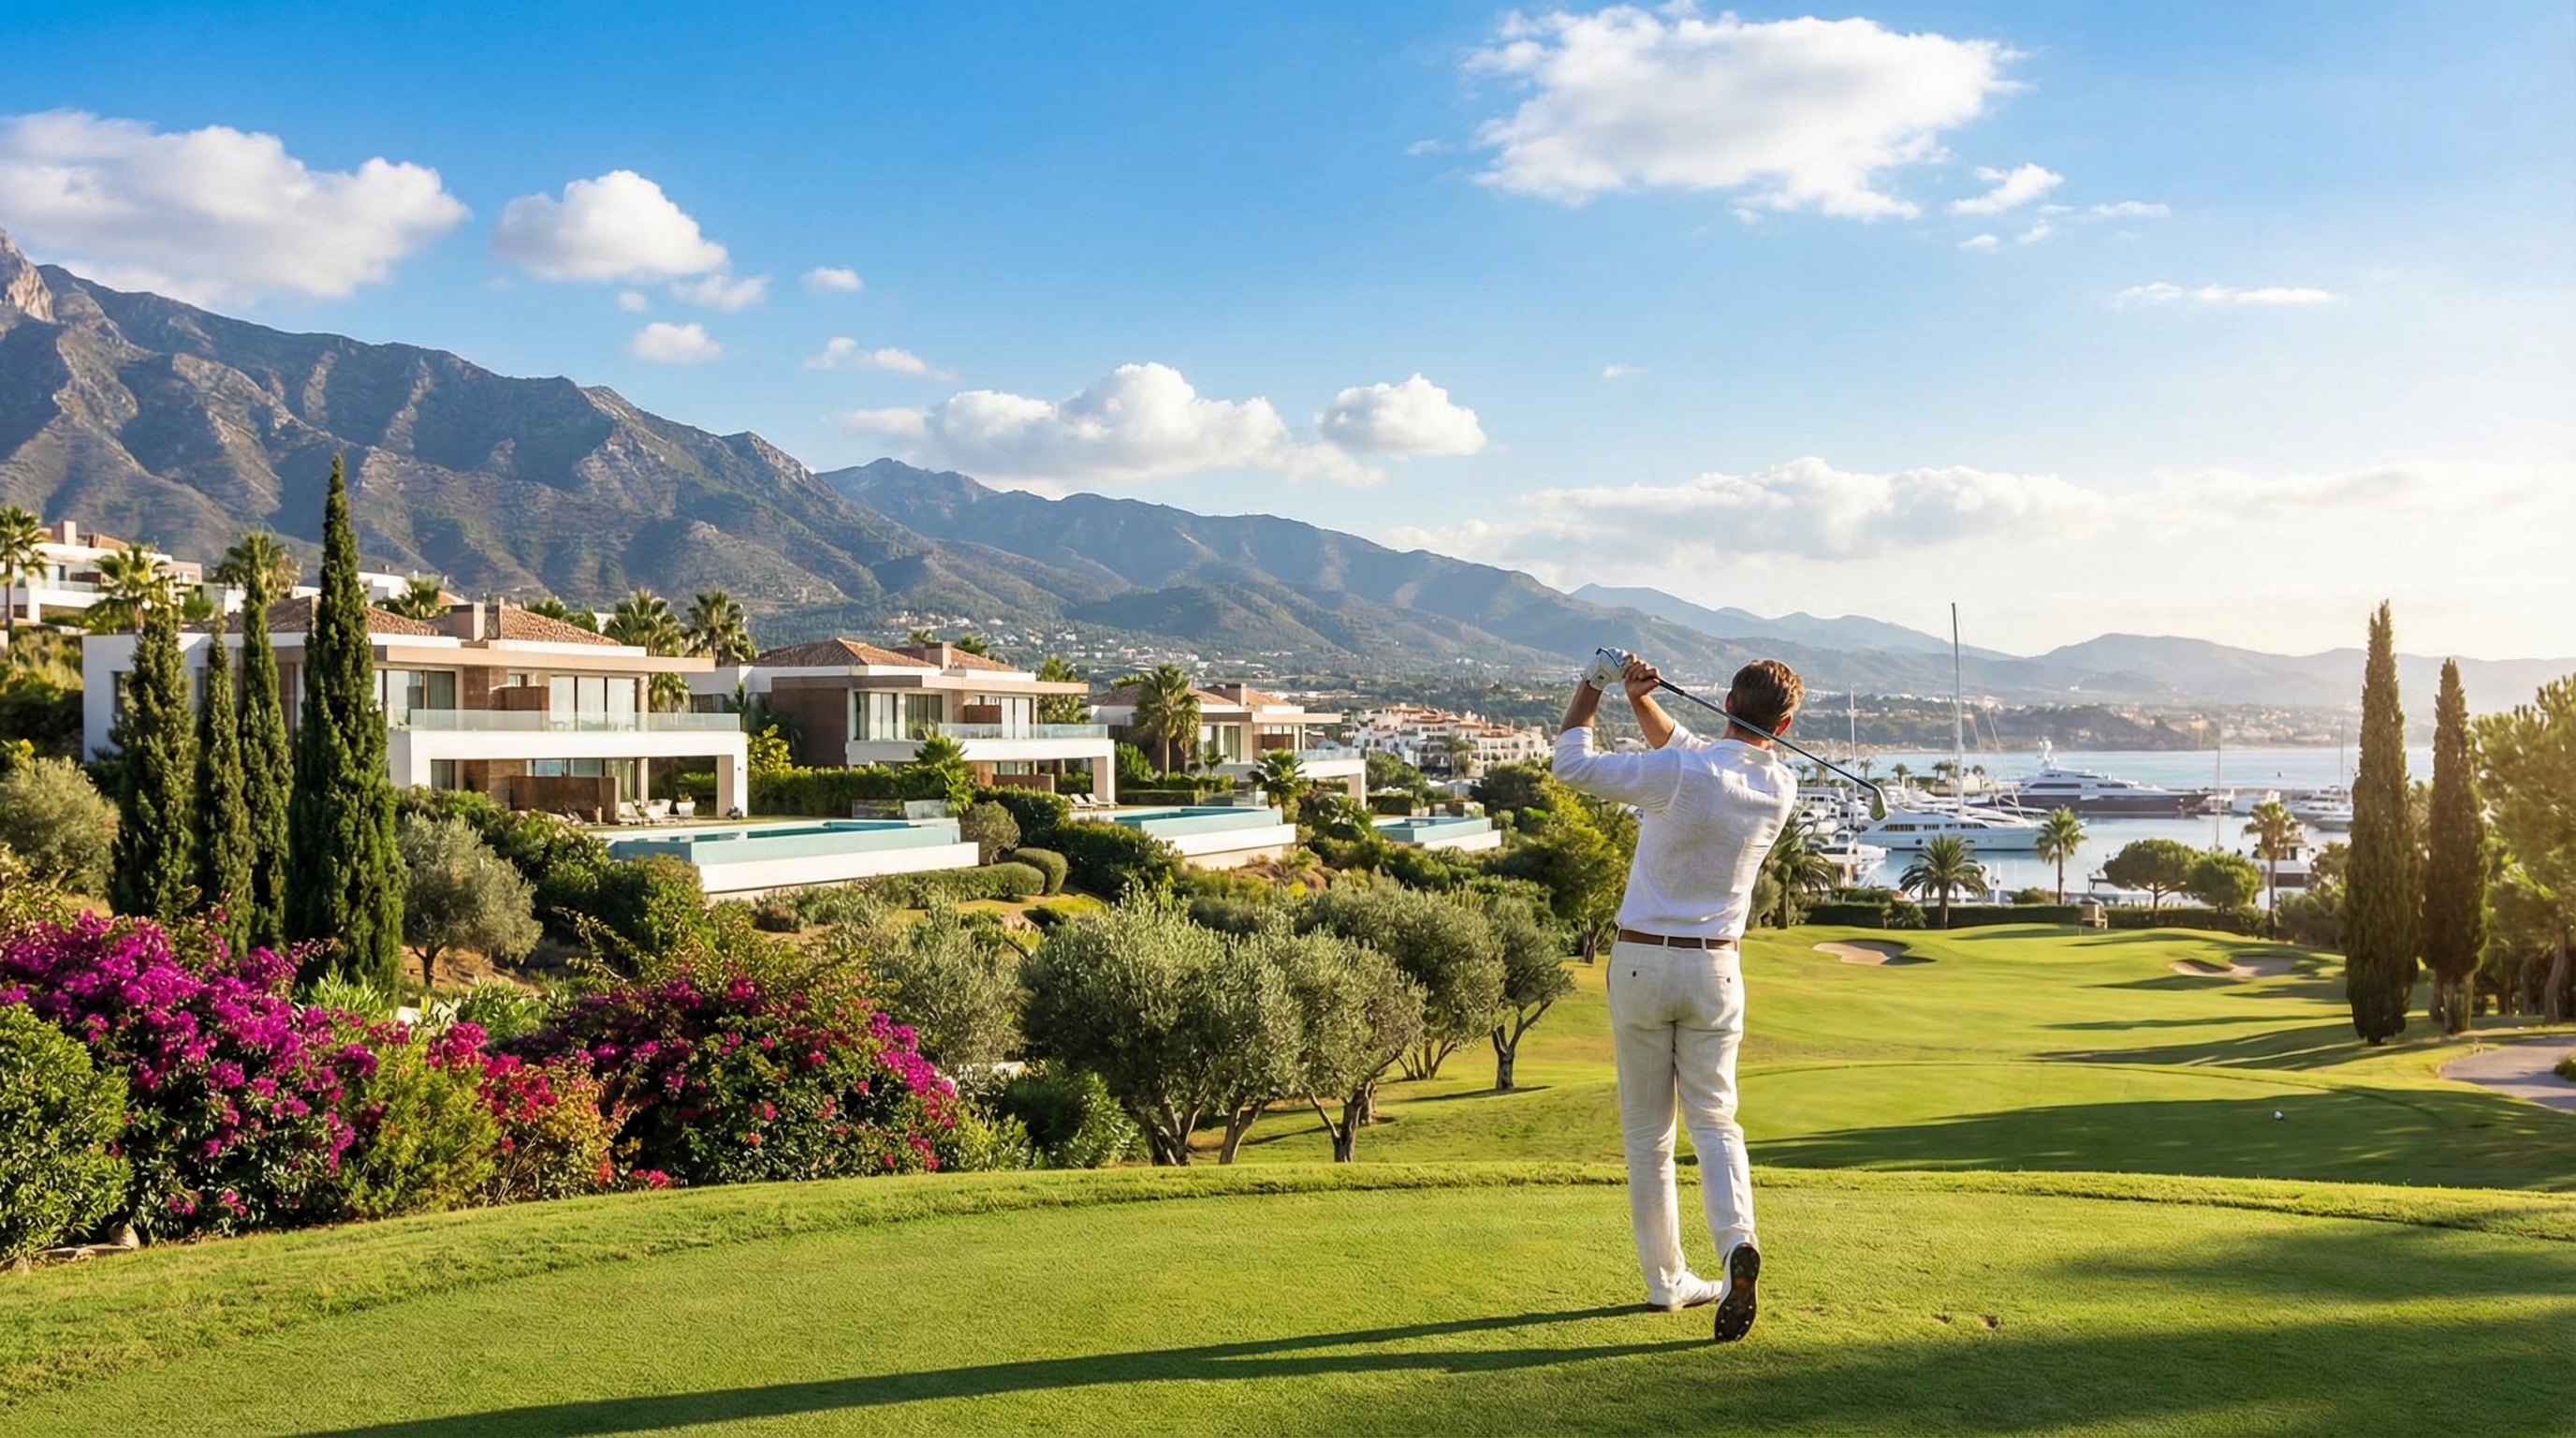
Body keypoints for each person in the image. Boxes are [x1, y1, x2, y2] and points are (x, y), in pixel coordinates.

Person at [1555, 652, 1802, 1343]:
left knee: (1648, 1138)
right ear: (1784, 724)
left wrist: (1595, 684)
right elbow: (1697, 753)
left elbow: (1570, 763)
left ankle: (1668, 1282)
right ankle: (1734, 1248)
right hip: (1716, 971)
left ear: (1725, 700)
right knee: (1717, 1123)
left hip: (1640, 962)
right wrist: (1643, 701)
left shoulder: (1679, 773)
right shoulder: (1778, 785)